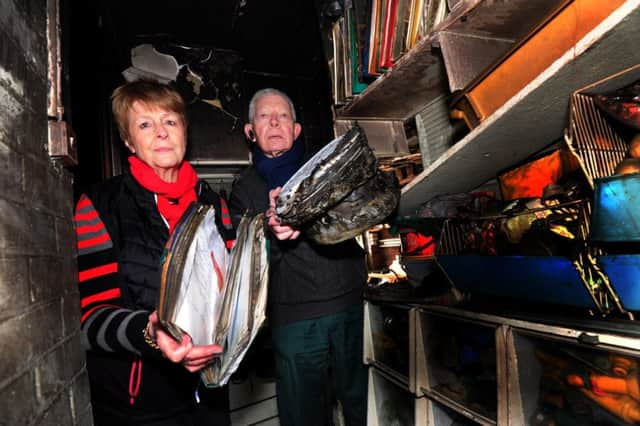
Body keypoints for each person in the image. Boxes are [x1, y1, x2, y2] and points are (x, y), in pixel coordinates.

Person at [74, 79, 235, 426]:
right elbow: (89, 320)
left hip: (211, 391)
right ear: (129, 141)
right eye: (145, 124)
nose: (161, 132)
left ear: (184, 133)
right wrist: (149, 333)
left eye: (170, 121)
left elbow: (236, 287)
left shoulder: (214, 204)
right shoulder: (99, 205)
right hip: (141, 406)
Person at [229, 88, 368, 426]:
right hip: (294, 321)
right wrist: (270, 225)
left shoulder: (327, 168)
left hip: (352, 307)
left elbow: (363, 212)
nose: (274, 122)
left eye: (283, 116)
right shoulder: (243, 191)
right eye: (264, 116)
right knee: (304, 416)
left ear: (296, 129)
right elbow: (247, 266)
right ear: (251, 131)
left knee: (366, 407)